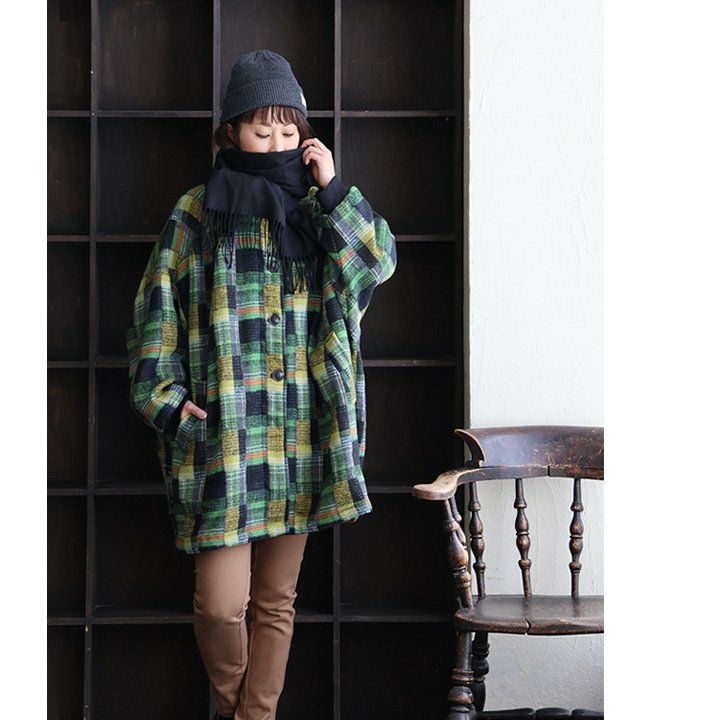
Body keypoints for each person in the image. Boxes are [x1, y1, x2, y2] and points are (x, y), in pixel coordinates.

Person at [125, 50, 397, 720]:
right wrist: (170, 407)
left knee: (277, 603)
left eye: (286, 129)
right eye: (260, 130)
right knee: (220, 606)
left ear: (303, 134)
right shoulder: (196, 214)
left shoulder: (317, 209)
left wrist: (333, 190)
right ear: (232, 133)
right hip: (224, 438)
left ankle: (256, 716)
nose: (274, 143)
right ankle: (237, 708)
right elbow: (154, 315)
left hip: (301, 433)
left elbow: (377, 263)